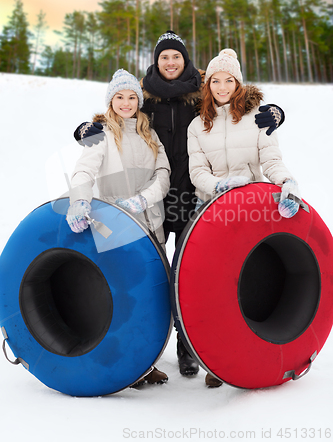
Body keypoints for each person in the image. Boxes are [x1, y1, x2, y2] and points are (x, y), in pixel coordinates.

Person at [72, 31, 286, 379]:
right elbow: (117, 120)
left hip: (194, 194)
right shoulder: (144, 97)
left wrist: (274, 112)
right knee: (148, 279)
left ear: (186, 60)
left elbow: (235, 103)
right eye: (164, 57)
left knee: (194, 277)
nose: (170, 62)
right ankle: (143, 356)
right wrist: (87, 128)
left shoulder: (201, 90)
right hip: (150, 200)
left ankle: (189, 349)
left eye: (177, 56)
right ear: (155, 62)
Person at [187, 48, 301, 386]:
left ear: (239, 83)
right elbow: (196, 171)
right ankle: (212, 359)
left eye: (229, 80)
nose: (222, 86)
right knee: (209, 286)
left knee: (246, 279)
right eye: (215, 80)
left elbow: (271, 157)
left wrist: (285, 180)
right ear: (207, 84)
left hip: (249, 209)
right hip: (210, 209)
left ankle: (244, 353)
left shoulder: (258, 117)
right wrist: (218, 185)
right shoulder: (198, 125)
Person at [66, 69, 171, 386]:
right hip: (115, 229)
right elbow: (83, 173)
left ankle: (148, 362)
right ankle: (128, 365)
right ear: (111, 101)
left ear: (138, 102)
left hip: (150, 226)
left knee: (154, 297)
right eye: (119, 97)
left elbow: (163, 176)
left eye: (131, 97)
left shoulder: (149, 135)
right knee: (123, 298)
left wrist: (142, 200)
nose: (126, 103)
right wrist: (79, 202)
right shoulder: (100, 134)